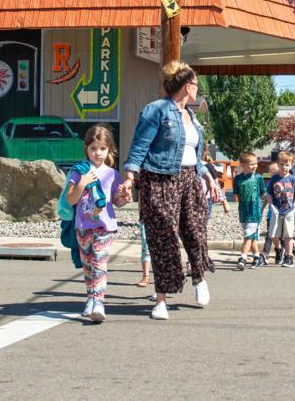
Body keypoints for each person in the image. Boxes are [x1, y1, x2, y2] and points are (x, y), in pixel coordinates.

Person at [118, 61, 215, 321]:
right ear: (186, 86)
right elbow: (139, 146)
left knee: (196, 232)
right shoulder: (157, 110)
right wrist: (130, 177)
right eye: (196, 84)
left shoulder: (192, 116)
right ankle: (161, 299)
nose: (198, 89)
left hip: (190, 179)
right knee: (164, 238)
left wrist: (207, 176)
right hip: (160, 180)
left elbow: (194, 154)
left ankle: (199, 278)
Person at [65, 124, 121, 323]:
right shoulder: (79, 171)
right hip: (83, 226)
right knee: (88, 266)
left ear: (109, 149)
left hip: (105, 227)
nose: (98, 153)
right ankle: (90, 299)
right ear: (86, 149)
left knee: (99, 263)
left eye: (103, 148)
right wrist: (83, 182)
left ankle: (99, 302)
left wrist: (124, 196)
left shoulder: (112, 174)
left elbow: (117, 201)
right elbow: (71, 199)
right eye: (93, 148)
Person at [232, 152, 267, 270]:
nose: (255, 166)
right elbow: (236, 194)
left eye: (256, 163)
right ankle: (257, 257)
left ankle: (243, 258)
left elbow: (262, 193)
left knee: (248, 235)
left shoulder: (258, 177)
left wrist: (259, 205)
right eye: (251, 164)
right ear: (243, 165)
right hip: (243, 211)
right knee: (251, 236)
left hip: (254, 210)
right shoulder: (238, 178)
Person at [265, 151, 295, 268]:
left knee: (288, 236)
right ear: (278, 164)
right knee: (273, 234)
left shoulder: (293, 179)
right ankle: (279, 249)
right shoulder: (274, 179)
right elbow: (269, 194)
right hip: (277, 211)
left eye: (287, 165)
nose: (284, 167)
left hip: (289, 211)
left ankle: (289, 257)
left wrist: (294, 208)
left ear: (291, 165)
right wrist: (271, 206)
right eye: (282, 164)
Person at [202, 150, 231, 220]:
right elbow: (217, 185)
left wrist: (224, 202)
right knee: (204, 219)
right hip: (206, 197)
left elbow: (216, 185)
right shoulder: (210, 166)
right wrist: (224, 202)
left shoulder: (208, 167)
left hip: (203, 196)